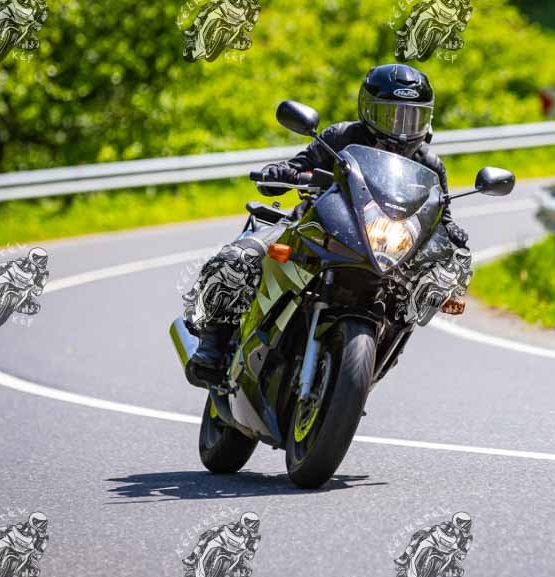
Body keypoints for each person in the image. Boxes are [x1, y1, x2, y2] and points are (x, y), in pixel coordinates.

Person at [184, 63, 468, 387]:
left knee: (415, 297)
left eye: (412, 117)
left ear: (427, 118)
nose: (401, 129)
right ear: (368, 111)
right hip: (317, 226)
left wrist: (451, 234)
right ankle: (213, 345)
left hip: (385, 246)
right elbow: (300, 165)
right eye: (391, 115)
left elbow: (440, 214)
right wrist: (284, 174)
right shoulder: (341, 137)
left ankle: (361, 376)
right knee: (238, 257)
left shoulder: (429, 164)